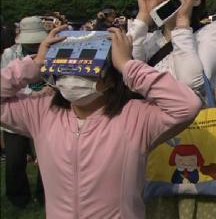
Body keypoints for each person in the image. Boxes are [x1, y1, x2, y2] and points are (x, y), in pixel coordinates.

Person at [0, 25, 202, 218]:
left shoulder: (137, 118)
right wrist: (35, 64)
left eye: (87, 68)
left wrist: (127, 65)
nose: (74, 76)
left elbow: (188, 104)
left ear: (112, 76)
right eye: (66, 68)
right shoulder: (42, 112)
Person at [128, 0, 216, 218]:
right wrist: (142, 16)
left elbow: (190, 84)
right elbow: (125, 75)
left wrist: (182, 22)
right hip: (154, 146)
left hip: (203, 143)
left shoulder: (213, 33)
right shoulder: (149, 40)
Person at [1, 16, 48, 208]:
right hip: (17, 110)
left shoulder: (52, 51)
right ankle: (18, 198)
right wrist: (34, 91)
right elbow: (7, 83)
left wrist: (49, 90)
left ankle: (44, 195)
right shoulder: (9, 54)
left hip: (44, 111)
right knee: (14, 160)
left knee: (47, 158)